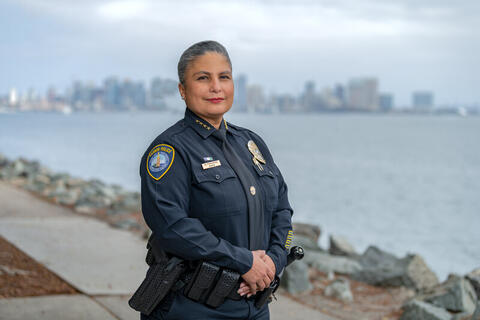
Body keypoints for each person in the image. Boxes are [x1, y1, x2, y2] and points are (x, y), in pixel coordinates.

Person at [139, 40, 293, 320]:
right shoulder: (170, 151)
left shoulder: (251, 143)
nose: (216, 87)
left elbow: (282, 210)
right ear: (182, 91)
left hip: (255, 306)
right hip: (193, 307)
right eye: (202, 78)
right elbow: (172, 227)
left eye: (224, 77)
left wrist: (272, 261)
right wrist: (244, 261)